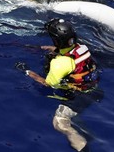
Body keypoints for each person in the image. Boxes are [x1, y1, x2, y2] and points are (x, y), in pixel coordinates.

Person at [19, 19, 100, 151]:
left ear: (57, 41)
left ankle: (83, 148)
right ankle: (86, 133)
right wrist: (45, 48)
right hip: (94, 89)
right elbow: (67, 52)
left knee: (59, 122)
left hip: (78, 96)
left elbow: (47, 84)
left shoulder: (59, 64)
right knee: (73, 115)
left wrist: (27, 72)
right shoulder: (81, 48)